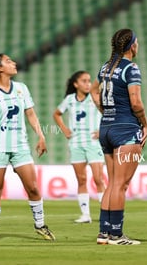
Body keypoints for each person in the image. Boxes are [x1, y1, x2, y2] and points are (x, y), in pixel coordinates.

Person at [0, 53, 56, 242]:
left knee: (33, 188)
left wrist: (41, 135)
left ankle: (40, 225)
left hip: (20, 146)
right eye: (8, 61)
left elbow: (31, 114)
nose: (14, 63)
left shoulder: (21, 89)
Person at [90, 28, 147, 245]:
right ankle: (116, 234)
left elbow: (94, 92)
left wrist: (105, 111)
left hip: (106, 128)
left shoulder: (105, 67)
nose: (138, 45)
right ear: (132, 45)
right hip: (126, 130)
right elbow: (136, 102)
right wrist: (145, 123)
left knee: (112, 182)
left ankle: (103, 233)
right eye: (137, 42)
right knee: (120, 185)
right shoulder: (131, 68)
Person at [53, 70, 106, 223]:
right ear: (76, 84)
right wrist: (64, 130)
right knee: (81, 179)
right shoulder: (69, 99)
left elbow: (109, 113)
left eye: (89, 81)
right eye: (84, 81)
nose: (88, 84)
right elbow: (56, 114)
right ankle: (85, 215)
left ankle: (106, 213)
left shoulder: (95, 98)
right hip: (75, 143)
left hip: (93, 142)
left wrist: (102, 130)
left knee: (98, 178)